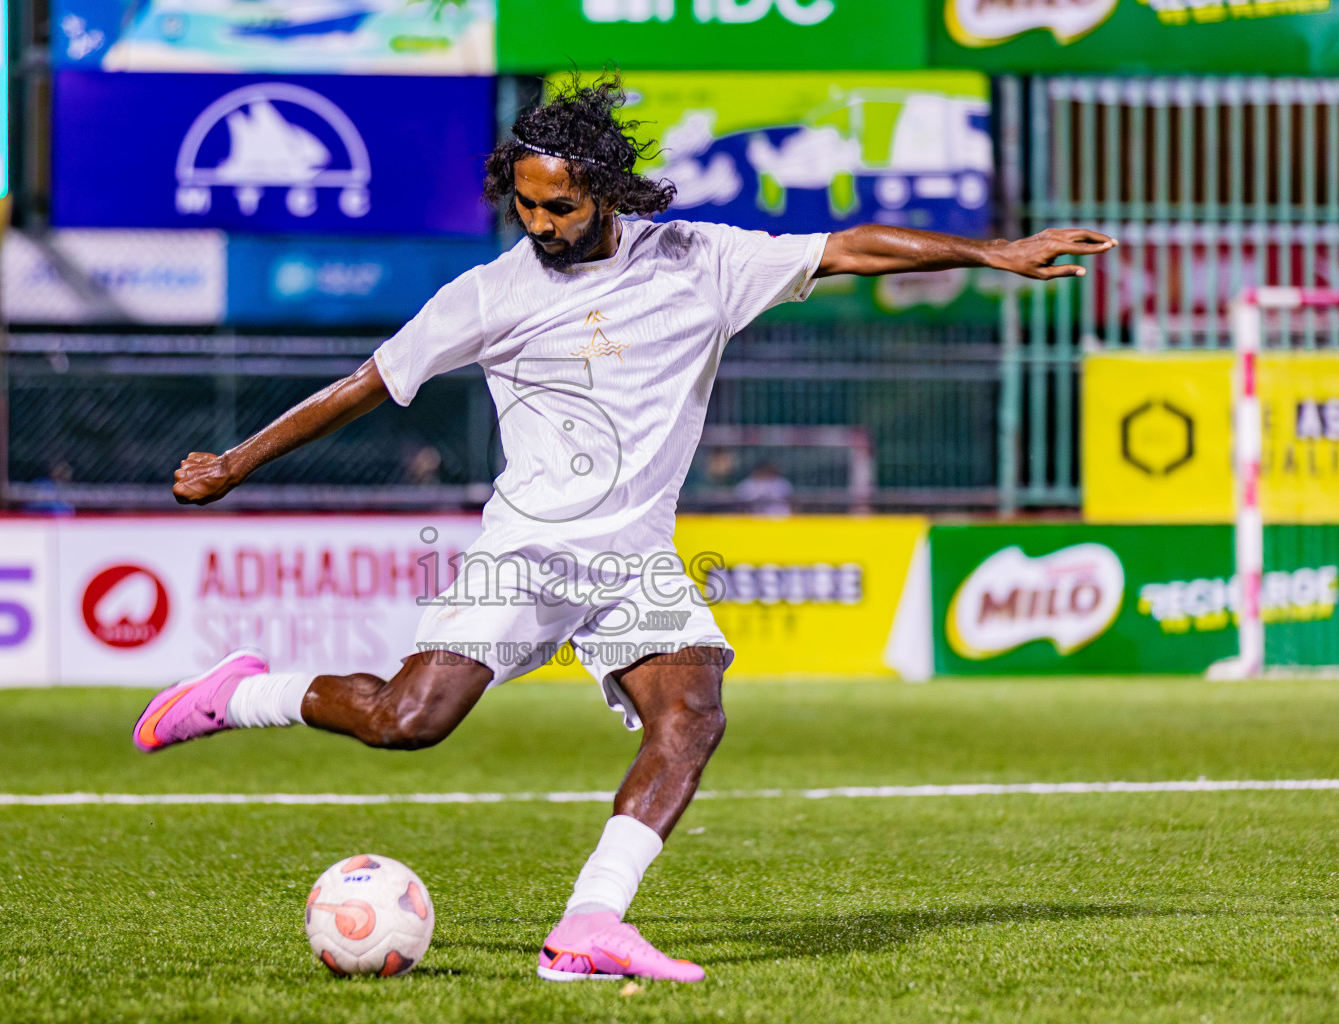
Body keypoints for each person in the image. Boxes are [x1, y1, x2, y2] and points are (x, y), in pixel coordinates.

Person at [136, 75, 1115, 983]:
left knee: (690, 714)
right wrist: (234, 463)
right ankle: (245, 693)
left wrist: (992, 251)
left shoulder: (701, 260)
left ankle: (589, 925)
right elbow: (365, 387)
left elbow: (848, 245)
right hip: (526, 550)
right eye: (523, 203)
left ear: (605, 191)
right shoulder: (489, 294)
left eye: (559, 204)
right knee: (407, 721)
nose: (540, 223)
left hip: (634, 562)